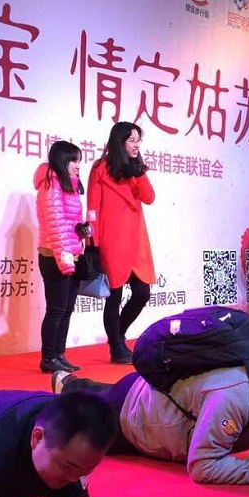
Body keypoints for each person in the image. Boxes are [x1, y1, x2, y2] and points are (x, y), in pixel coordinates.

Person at [51, 364, 249, 485]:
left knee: (95, 393)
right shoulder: (233, 398)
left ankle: (70, 382)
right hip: (134, 414)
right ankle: (62, 386)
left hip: (151, 396)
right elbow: (202, 466)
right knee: (71, 416)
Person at [88, 121, 157, 364]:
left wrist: (138, 174)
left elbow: (149, 198)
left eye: (138, 140)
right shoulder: (100, 168)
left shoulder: (137, 168)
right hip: (112, 240)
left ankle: (117, 335)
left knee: (142, 292)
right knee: (114, 295)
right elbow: (93, 208)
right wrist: (93, 243)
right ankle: (117, 347)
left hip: (136, 240)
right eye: (131, 140)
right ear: (120, 142)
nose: (136, 145)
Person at [35, 141, 86, 373]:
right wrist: (65, 260)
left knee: (66, 309)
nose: (78, 165)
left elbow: (68, 222)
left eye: (79, 160)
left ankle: (59, 354)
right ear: (62, 160)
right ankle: (48, 357)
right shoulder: (51, 185)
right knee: (56, 309)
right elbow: (55, 225)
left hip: (69, 254)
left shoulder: (68, 185)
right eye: (74, 160)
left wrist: (82, 231)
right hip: (55, 256)